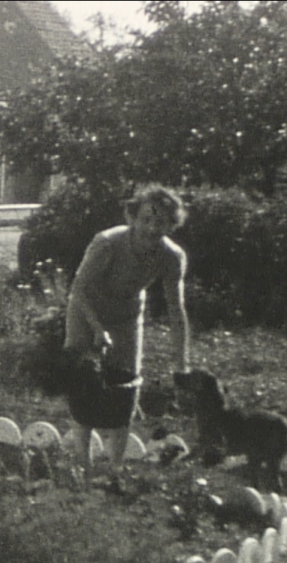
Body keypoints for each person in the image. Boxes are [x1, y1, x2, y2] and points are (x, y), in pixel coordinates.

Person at [63, 184, 191, 479]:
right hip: (86, 312)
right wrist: (97, 330)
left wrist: (181, 360)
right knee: (84, 383)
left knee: (126, 386)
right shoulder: (107, 243)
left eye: (160, 222)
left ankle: (115, 470)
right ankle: (83, 464)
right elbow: (78, 290)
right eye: (146, 218)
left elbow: (176, 309)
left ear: (171, 224)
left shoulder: (172, 256)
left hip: (126, 316)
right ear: (133, 217)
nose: (151, 227)